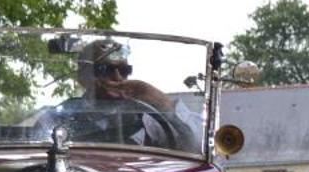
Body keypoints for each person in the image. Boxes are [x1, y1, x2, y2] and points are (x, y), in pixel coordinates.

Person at [32, 38, 194, 150]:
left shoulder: (149, 121)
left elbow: (197, 149)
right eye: (106, 70)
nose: (117, 77)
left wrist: (163, 103)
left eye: (124, 70)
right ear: (83, 77)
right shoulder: (55, 120)